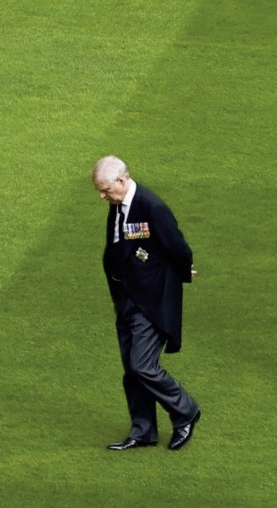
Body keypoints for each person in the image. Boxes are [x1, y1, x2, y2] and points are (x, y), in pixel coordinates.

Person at [92, 156, 201, 452]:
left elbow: (178, 247)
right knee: (131, 369)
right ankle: (143, 431)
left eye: (105, 190)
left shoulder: (152, 206)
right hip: (126, 298)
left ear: (121, 181)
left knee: (143, 365)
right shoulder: (117, 207)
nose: (102, 196)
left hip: (151, 301)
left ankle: (186, 411)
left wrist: (180, 273)